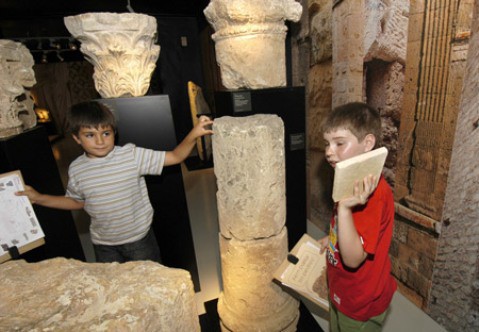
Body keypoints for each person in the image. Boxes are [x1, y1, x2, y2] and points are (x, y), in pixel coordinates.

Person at [16, 101, 213, 263]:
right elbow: (76, 202)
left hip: (139, 241)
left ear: (114, 133)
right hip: (104, 245)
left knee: (149, 285)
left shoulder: (131, 155)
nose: (100, 141)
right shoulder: (77, 168)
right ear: (77, 138)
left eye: (106, 133)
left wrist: (194, 134)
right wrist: (39, 198)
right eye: (90, 135)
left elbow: (175, 156)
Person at [318, 102, 396, 331]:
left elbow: (353, 260)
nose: (329, 151)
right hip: (341, 288)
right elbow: (350, 229)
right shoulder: (349, 179)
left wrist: (343, 208)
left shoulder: (374, 195)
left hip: (360, 301)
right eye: (327, 143)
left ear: (367, 143)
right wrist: (333, 238)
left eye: (339, 143)